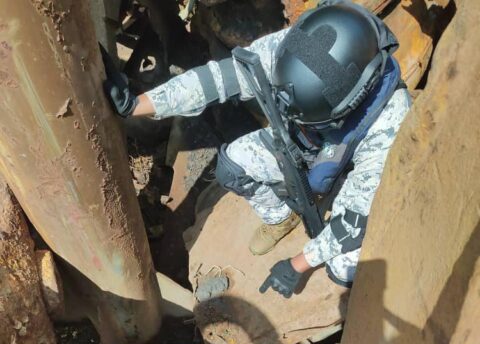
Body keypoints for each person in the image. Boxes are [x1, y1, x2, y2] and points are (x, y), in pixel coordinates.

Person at [102, 0, 411, 298]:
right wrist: (137, 105)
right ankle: (282, 216)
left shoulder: (390, 123)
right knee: (232, 166)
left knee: (343, 269)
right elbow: (217, 80)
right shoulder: (297, 48)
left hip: (354, 166)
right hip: (308, 141)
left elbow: (354, 222)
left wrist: (297, 264)